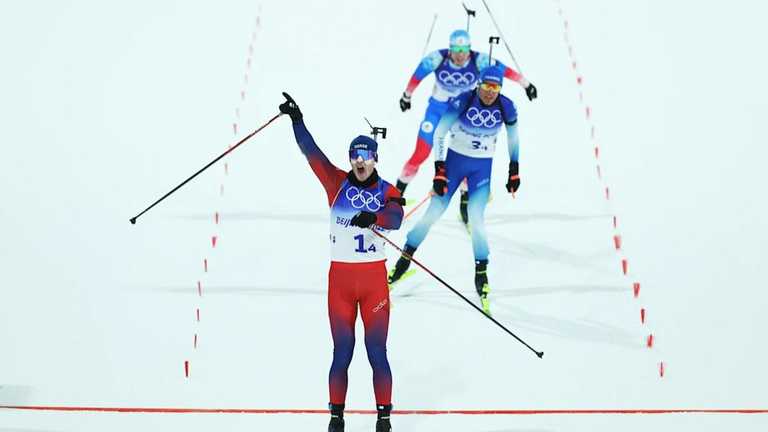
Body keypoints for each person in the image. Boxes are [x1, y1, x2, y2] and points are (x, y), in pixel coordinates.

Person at [278, 92, 403, 432]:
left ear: (375, 159)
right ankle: (336, 418)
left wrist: (373, 215)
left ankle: (384, 418)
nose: (360, 161)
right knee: (342, 352)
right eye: (354, 156)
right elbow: (312, 154)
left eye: (365, 156)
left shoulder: (388, 189)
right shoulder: (336, 183)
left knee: (377, 352)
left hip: (374, 281)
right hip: (341, 284)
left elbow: (396, 217)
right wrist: (297, 120)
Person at [388, 66, 522, 316]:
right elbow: (439, 132)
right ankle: (404, 261)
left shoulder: (506, 106)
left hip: (481, 171)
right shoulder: (464, 99)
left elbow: (513, 138)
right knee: (433, 213)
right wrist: (439, 169)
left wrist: (514, 168)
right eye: (486, 87)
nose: (490, 93)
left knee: (477, 219)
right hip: (453, 166)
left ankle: (481, 272)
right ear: (478, 84)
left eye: (496, 88)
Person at [396, 29, 535, 225]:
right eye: (456, 49)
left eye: (464, 49)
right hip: (438, 110)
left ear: (469, 49)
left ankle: (464, 204)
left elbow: (502, 71)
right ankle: (396, 194)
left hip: (463, 114)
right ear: (450, 48)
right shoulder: (438, 57)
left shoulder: (478, 60)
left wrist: (526, 84)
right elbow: (418, 74)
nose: (460, 54)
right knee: (421, 152)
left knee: (465, 154)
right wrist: (407, 95)